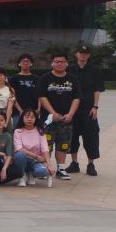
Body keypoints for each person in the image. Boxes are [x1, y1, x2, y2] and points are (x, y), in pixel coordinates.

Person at [38, 52, 81, 180]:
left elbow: (77, 98)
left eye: (62, 61)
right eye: (56, 61)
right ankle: (45, 167)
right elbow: (42, 96)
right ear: (52, 63)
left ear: (67, 64)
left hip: (66, 118)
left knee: (63, 144)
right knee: (47, 144)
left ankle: (61, 169)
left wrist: (71, 114)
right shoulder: (45, 78)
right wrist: (52, 113)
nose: (59, 64)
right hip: (48, 119)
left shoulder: (73, 78)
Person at [68, 45, 104, 176]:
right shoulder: (70, 69)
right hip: (73, 110)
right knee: (72, 137)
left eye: (86, 53)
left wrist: (95, 107)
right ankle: (74, 163)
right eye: (81, 53)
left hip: (88, 110)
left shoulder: (94, 70)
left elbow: (97, 89)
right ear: (76, 54)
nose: (83, 55)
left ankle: (91, 164)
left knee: (91, 137)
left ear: (89, 55)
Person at [13, 108, 54, 187]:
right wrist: (36, 156)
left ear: (36, 119)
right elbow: (19, 149)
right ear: (22, 118)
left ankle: (31, 173)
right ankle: (21, 176)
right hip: (23, 159)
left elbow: (45, 149)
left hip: (36, 161)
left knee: (43, 172)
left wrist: (49, 165)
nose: (29, 119)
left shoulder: (40, 131)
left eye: (32, 117)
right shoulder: (17, 131)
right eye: (27, 117)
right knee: (20, 155)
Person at [9, 54, 39, 123]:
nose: (25, 63)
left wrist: (38, 109)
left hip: (33, 111)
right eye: (23, 61)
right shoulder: (13, 78)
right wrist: (20, 110)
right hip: (17, 112)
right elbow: (12, 95)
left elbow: (40, 95)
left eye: (27, 61)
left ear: (31, 64)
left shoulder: (36, 78)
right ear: (19, 64)